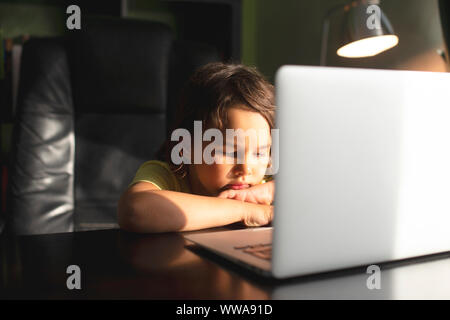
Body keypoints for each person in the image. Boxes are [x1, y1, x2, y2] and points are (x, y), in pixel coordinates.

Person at [117, 62, 276, 233]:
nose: (246, 169)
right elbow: (136, 211)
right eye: (229, 152)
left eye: (259, 153)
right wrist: (247, 211)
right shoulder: (167, 177)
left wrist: (273, 190)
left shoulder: (259, 185)